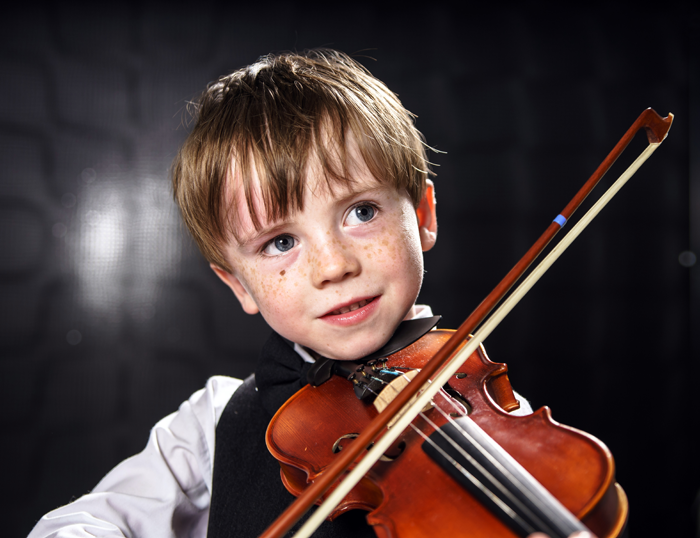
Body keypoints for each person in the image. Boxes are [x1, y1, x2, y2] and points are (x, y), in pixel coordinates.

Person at [28, 49, 542, 538]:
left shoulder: (480, 406)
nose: (334, 266)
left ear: (423, 217)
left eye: (361, 212)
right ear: (237, 284)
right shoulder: (214, 423)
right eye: (280, 242)